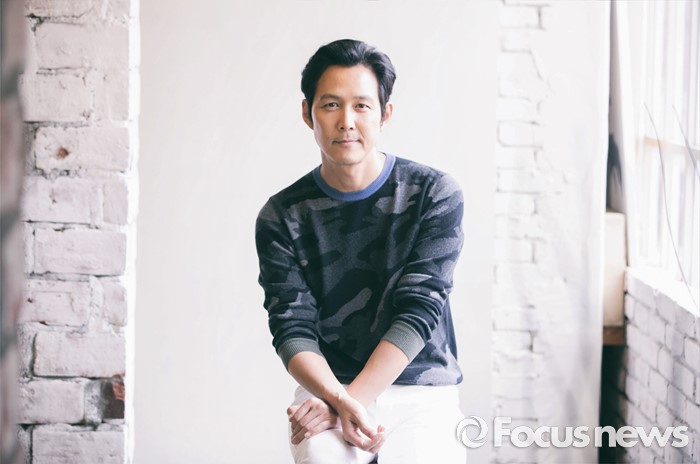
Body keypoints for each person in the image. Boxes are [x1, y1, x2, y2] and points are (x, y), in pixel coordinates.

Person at [255, 39, 466, 464]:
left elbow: (419, 311)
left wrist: (348, 401)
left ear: (385, 114)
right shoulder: (282, 216)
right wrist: (337, 398)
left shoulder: (434, 193)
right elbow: (291, 327)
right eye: (331, 105)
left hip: (421, 388)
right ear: (307, 113)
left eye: (362, 106)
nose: (346, 122)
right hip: (327, 385)